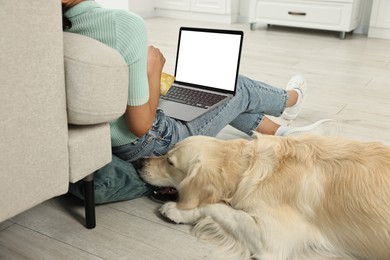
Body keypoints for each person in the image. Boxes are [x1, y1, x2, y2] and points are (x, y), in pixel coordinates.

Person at [63, 0, 337, 203]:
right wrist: (152, 69)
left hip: (103, 133)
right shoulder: (122, 24)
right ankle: (289, 101)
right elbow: (140, 126)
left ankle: (281, 132)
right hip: (149, 139)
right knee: (234, 88)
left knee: (205, 97)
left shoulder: (52, 29)